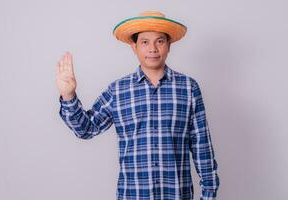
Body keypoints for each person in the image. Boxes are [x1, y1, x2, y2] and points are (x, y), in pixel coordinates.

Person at [56, 11, 220, 200]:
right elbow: (86, 129)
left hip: (177, 194)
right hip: (132, 195)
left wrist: (209, 194)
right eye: (145, 42)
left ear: (169, 45)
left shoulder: (188, 88)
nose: (153, 49)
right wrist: (68, 95)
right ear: (134, 46)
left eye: (160, 41)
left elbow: (202, 146)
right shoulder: (118, 90)